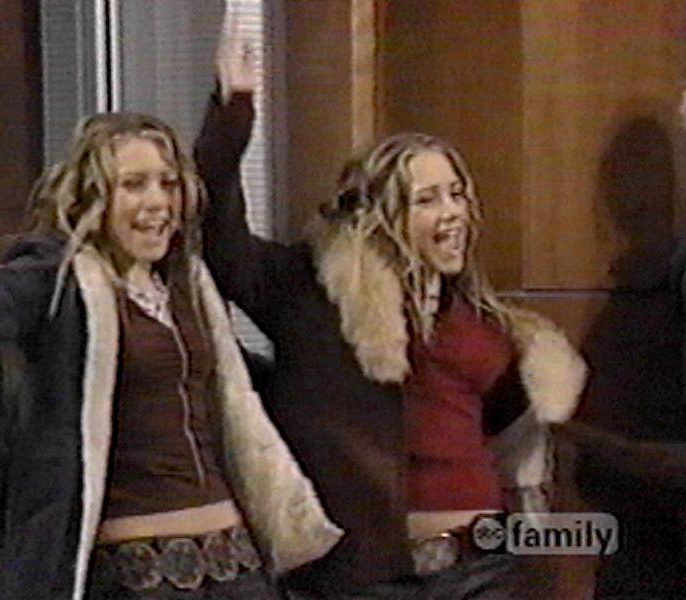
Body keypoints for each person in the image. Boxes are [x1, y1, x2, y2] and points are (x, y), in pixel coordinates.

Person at [193, 34, 588, 599]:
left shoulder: (481, 319)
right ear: (378, 213)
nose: (451, 213)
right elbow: (218, 238)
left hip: (485, 570)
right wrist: (232, 112)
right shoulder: (310, 291)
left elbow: (513, 445)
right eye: (427, 199)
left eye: (456, 195)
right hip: (365, 577)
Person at [0, 112, 342, 600]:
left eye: (168, 183)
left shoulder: (188, 285)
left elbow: (236, 395)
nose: (157, 202)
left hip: (237, 567)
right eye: (134, 184)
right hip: (137, 577)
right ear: (94, 197)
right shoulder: (63, 283)